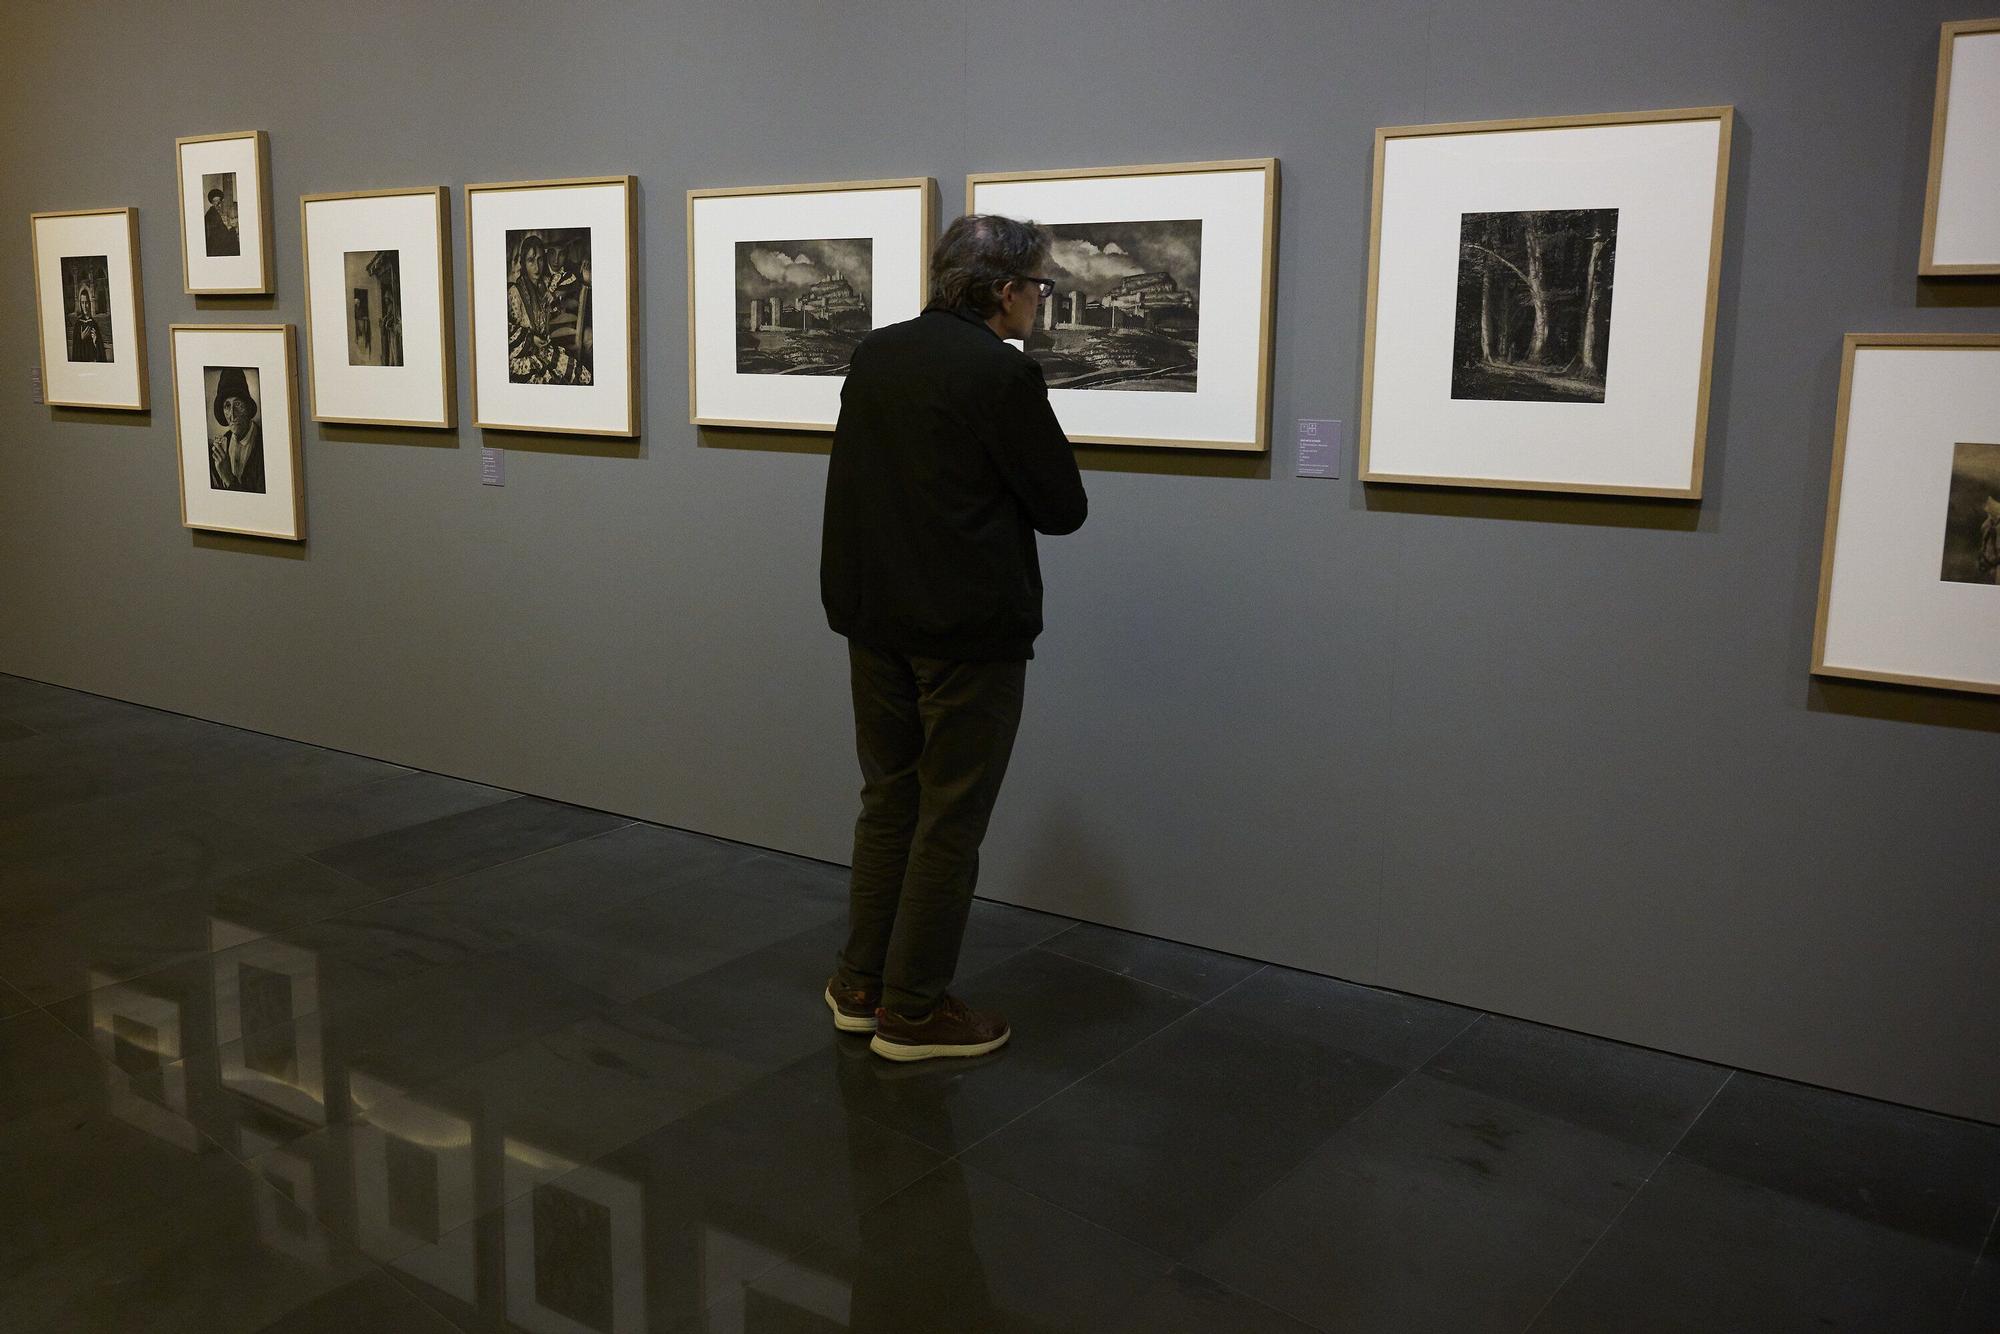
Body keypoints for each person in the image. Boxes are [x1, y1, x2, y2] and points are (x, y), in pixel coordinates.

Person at [819, 214, 1088, 1062]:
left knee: (889, 801)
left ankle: (859, 986)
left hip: (874, 617)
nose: (1040, 302)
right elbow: (1062, 507)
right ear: (1005, 290)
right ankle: (913, 1010)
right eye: (1039, 287)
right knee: (949, 819)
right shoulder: (1000, 373)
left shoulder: (878, 353)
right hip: (967, 631)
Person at [207, 367, 265, 493]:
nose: (232, 415)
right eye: (227, 406)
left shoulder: (263, 443)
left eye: (238, 404)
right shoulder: (219, 447)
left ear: (248, 407)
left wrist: (228, 478)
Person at [66, 283, 108, 363]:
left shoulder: (94, 324)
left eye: (86, 302)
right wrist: (81, 338)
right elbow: (75, 352)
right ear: (80, 304)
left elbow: (100, 353)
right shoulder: (77, 324)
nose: (85, 306)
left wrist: (95, 341)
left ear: (90, 303)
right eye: (82, 303)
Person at [204, 187, 239, 257]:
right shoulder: (210, 214)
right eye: (215, 201)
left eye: (219, 201)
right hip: (216, 245)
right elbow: (218, 232)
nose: (217, 203)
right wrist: (232, 230)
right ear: (212, 202)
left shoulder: (219, 211)